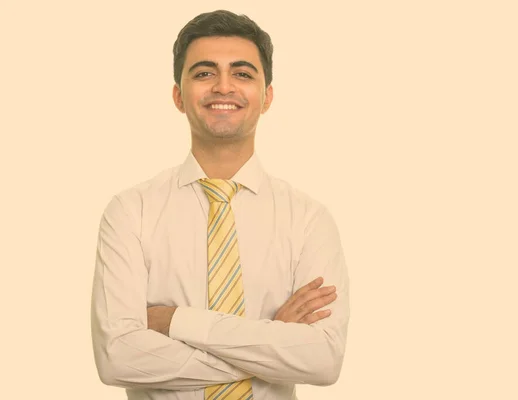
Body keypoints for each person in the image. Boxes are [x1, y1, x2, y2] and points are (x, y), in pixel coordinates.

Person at [90, 9, 350, 400]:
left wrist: (176, 320)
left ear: (267, 97)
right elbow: (117, 359)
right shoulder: (130, 212)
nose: (223, 86)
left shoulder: (310, 220)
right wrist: (272, 342)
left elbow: (323, 360)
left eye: (243, 74)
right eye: (204, 73)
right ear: (179, 96)